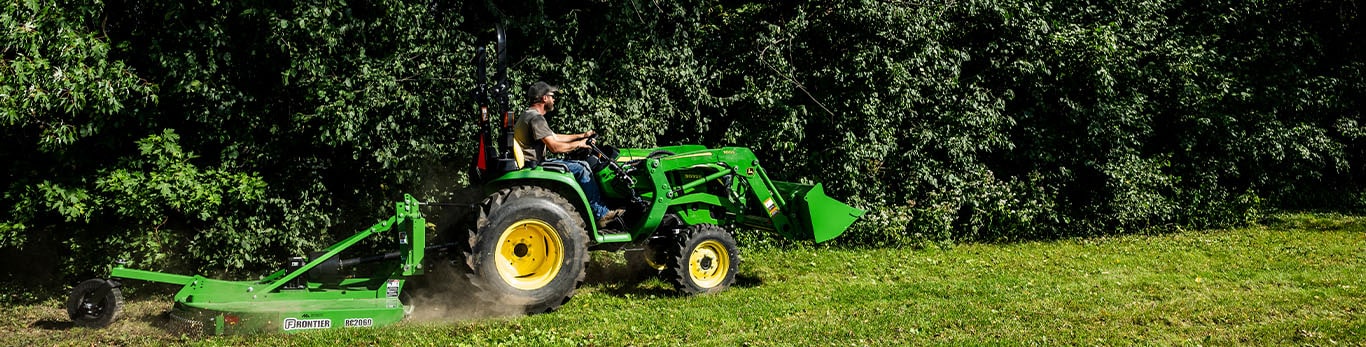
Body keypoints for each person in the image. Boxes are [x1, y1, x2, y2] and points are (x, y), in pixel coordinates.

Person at [514, 81, 624, 228]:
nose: (554, 100)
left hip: (533, 162)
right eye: (552, 96)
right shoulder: (536, 119)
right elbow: (555, 147)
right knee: (582, 167)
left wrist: (582, 136)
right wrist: (579, 144)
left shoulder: (528, 115)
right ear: (544, 98)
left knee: (576, 163)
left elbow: (555, 137)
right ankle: (601, 214)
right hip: (535, 163)